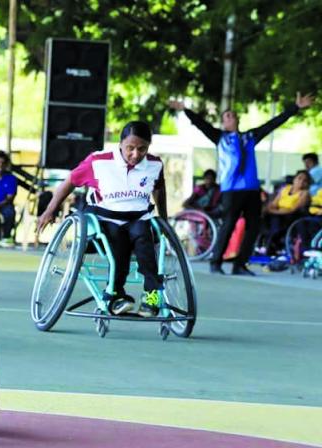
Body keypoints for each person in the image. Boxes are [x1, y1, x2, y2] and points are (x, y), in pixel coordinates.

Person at [169, 92, 316, 275]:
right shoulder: (220, 137)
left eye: (233, 115)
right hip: (232, 190)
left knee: (254, 226)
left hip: (252, 189)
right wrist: (185, 110)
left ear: (237, 120)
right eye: (227, 116)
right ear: (224, 122)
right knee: (229, 224)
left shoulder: (250, 136)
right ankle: (216, 262)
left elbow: (273, 124)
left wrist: (295, 108)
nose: (231, 117)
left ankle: (240, 264)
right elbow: (201, 124)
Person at [37, 121, 167, 317]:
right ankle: (115, 294)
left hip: (138, 216)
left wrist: (164, 219)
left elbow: (159, 189)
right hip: (105, 217)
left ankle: (151, 294)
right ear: (121, 144)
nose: (135, 154)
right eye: (130, 148)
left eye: (142, 149)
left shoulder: (154, 164)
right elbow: (70, 182)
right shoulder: (98, 161)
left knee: (144, 241)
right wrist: (50, 209)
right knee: (118, 243)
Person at [263, 170, 311, 254]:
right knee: (264, 215)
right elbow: (274, 203)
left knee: (275, 219)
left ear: (307, 184)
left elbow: (293, 209)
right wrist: (269, 209)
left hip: (292, 216)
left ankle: (270, 245)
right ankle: (265, 243)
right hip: (278, 213)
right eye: (299, 178)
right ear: (294, 179)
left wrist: (274, 211)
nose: (301, 182)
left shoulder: (304, 194)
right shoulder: (285, 188)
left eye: (305, 181)